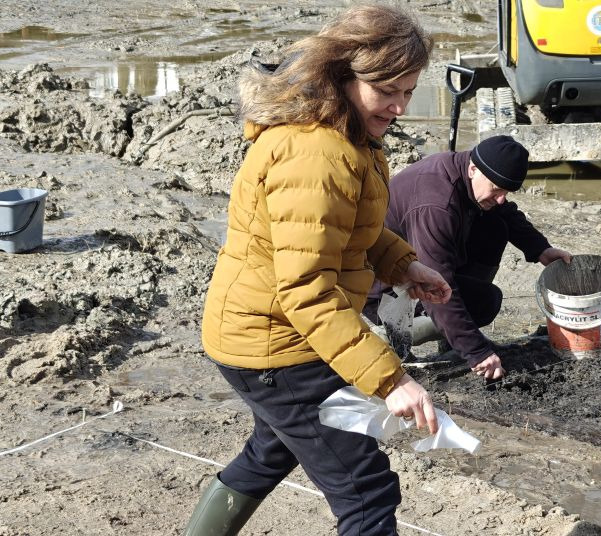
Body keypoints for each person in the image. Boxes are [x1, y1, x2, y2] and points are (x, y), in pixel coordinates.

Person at [185, 6, 452, 536]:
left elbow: (352, 227)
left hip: (263, 332)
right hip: (277, 346)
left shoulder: (348, 131)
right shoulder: (317, 153)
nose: (399, 106)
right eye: (388, 91)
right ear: (346, 75)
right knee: (365, 489)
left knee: (271, 451)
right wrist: (391, 379)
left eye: (409, 91)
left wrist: (403, 264)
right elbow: (306, 288)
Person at [364, 135, 571, 381]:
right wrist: (477, 351)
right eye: (497, 189)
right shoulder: (436, 206)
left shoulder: (466, 171)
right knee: (485, 302)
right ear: (473, 169)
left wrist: (540, 249)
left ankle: (451, 338)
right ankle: (389, 334)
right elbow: (434, 285)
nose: (502, 197)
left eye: (507, 191)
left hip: (415, 270)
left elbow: (505, 210)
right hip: (383, 293)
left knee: (494, 225)